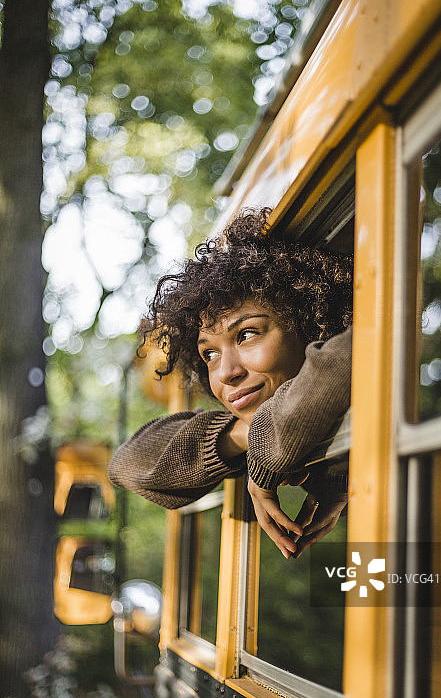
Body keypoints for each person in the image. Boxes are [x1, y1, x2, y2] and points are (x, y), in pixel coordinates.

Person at [109, 207, 353, 557]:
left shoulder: (365, 347)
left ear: (311, 325)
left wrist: (272, 445)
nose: (226, 372)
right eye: (209, 353)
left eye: (247, 334)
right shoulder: (272, 425)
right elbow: (127, 465)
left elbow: (356, 347)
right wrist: (247, 434)